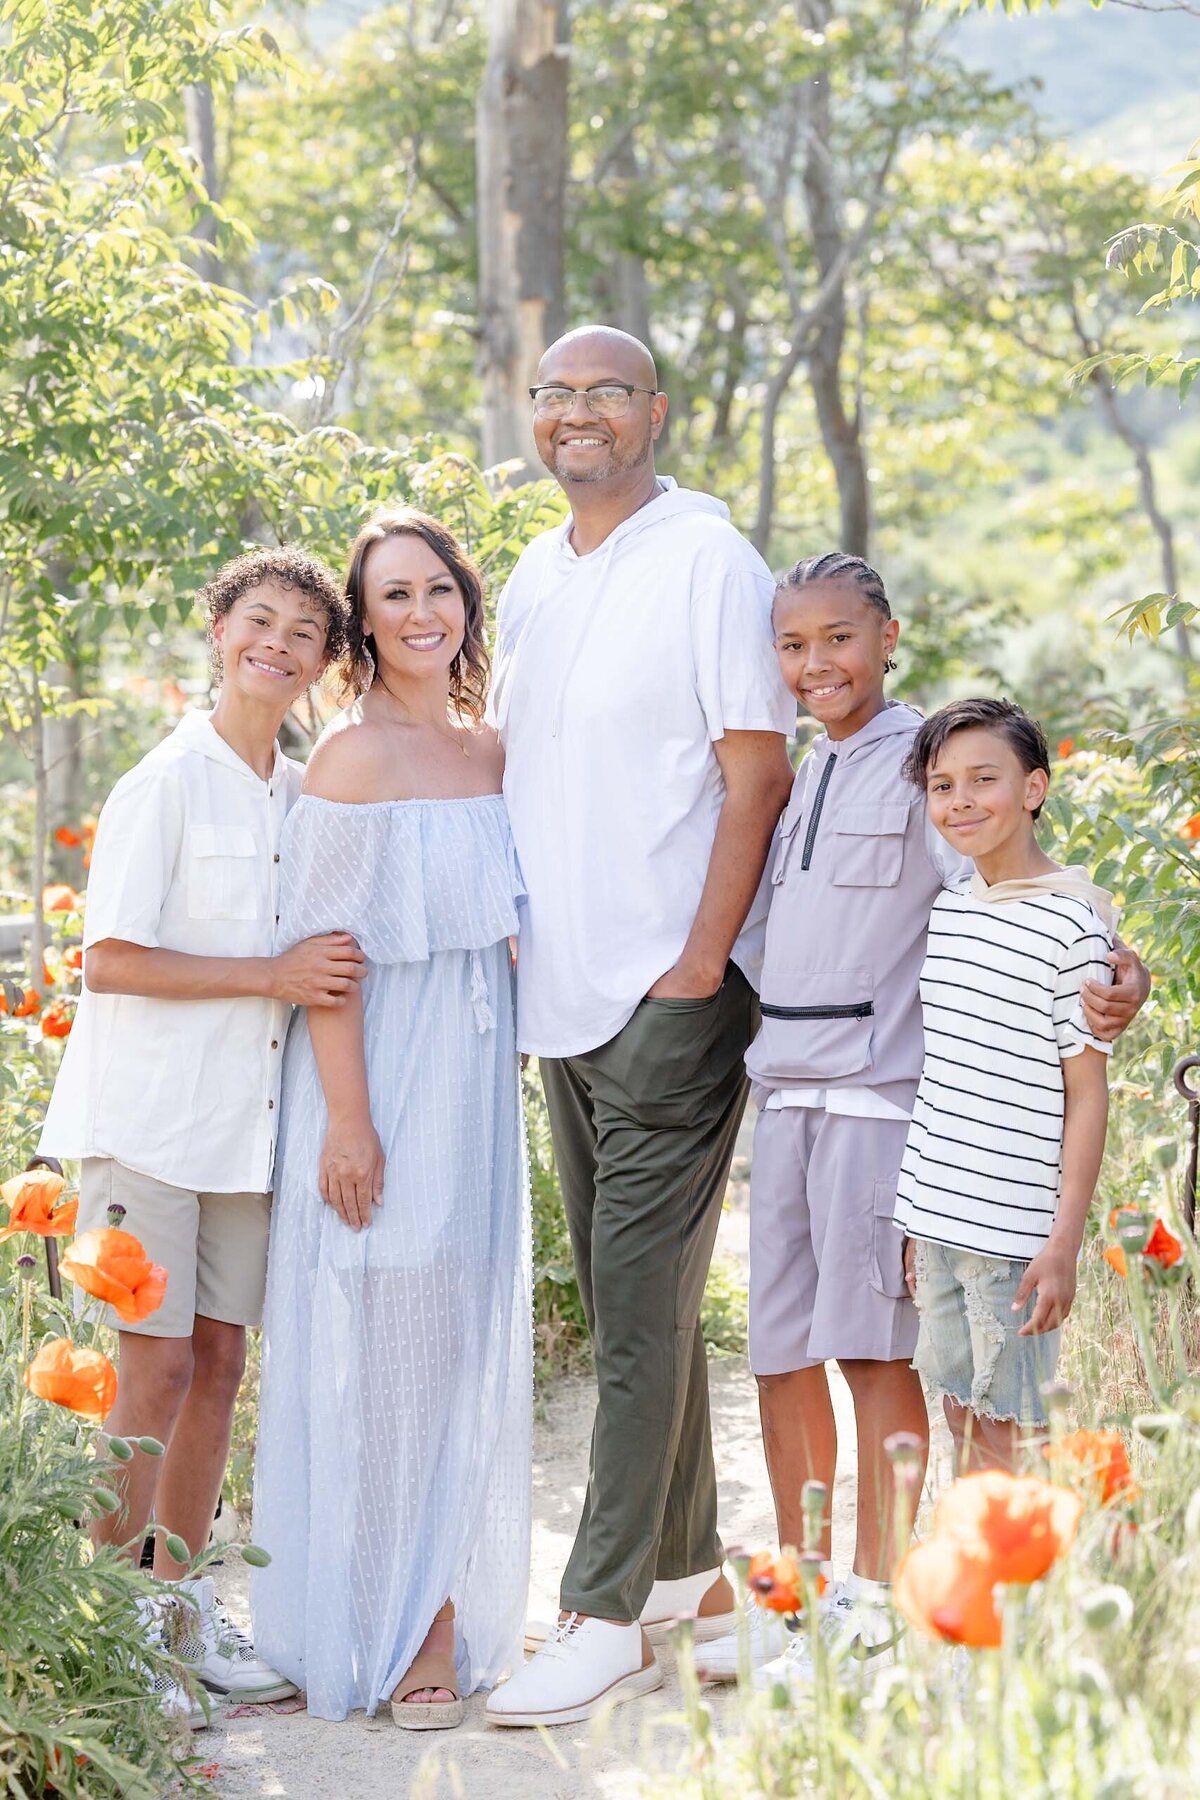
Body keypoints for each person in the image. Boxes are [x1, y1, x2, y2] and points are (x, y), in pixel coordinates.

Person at [696, 555, 1148, 1691]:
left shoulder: (921, 767)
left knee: (872, 1353)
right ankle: (798, 1595)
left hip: (877, 1111)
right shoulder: (804, 773)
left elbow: (1019, 881)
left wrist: (1118, 972)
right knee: (779, 1355)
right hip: (784, 1102)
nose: (817, 665)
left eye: (839, 639)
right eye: (793, 647)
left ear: (888, 636)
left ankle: (877, 1595)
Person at [484, 326, 796, 1729]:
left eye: (608, 390)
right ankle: (688, 1586)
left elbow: (756, 770)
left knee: (632, 1322)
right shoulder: (541, 572)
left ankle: (601, 1611)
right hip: (561, 990)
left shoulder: (708, 560)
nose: (578, 414)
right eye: (555, 394)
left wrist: (698, 962)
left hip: (671, 992)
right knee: (634, 1310)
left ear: (657, 411)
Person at [38, 546, 362, 1720]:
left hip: (250, 1132)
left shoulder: (296, 789)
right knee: (154, 1365)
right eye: (258, 621)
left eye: (303, 634)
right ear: (218, 629)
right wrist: (269, 974)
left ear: (326, 662)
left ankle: (179, 1610)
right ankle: (107, 1625)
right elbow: (108, 957)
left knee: (221, 1365)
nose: (277, 645)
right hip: (149, 1126)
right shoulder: (164, 781)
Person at [250, 508, 531, 1726]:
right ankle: (391, 1624)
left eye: (440, 591)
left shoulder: (492, 751)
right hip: (380, 1079)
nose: (422, 614)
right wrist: (349, 1126)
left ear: (467, 604)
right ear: (363, 621)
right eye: (394, 596)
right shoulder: (350, 760)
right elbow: (326, 961)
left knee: (458, 1349)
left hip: (476, 1090)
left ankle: (440, 1612)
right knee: (385, 1355)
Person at [896, 697, 1114, 1471]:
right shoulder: (952, 909)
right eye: (943, 784)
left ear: (1033, 789)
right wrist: (916, 1218)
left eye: (983, 779)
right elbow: (947, 1074)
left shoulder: (1073, 926)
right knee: (957, 1413)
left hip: (1016, 1236)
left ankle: (1023, 1589)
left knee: (1010, 1435)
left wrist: (1064, 1242)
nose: (961, 801)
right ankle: (980, 1583)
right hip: (940, 1217)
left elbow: (1088, 1094)